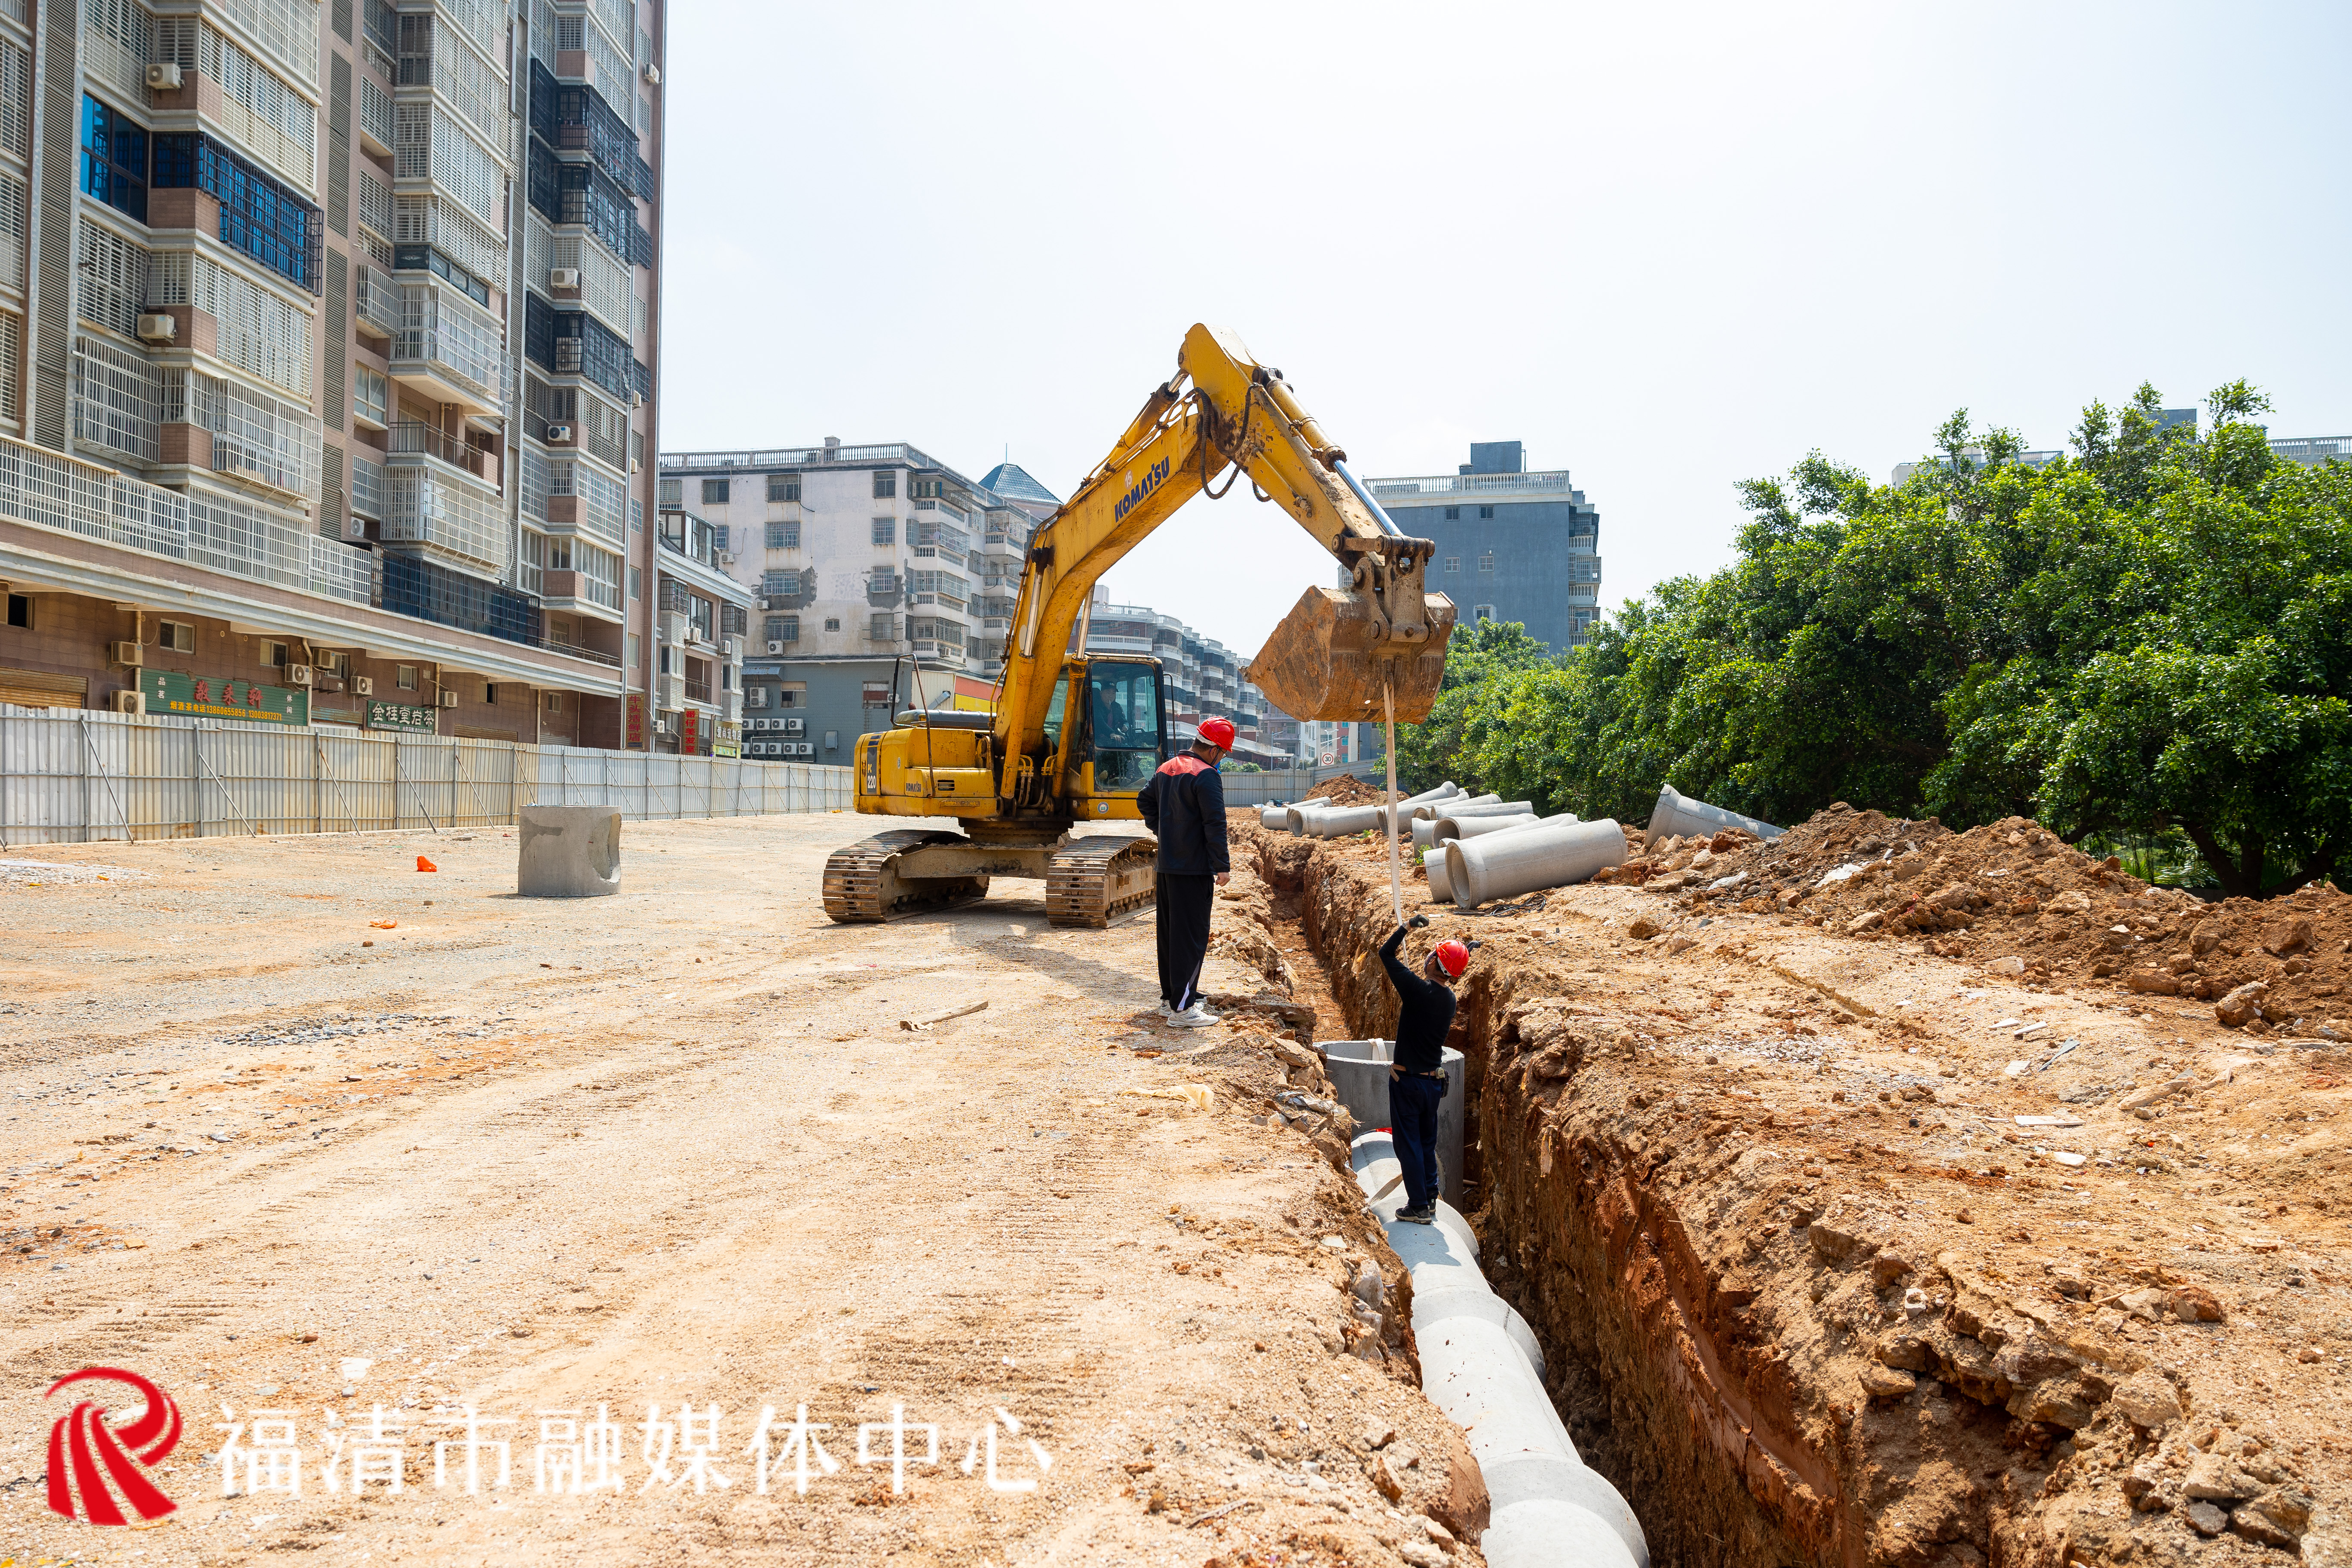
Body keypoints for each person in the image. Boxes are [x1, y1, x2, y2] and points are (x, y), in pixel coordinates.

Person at [1137, 716, 1235, 1027]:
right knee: (1191, 937)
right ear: (1216, 750)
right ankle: (1183, 1009)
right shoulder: (1206, 776)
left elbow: (1144, 801)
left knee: (1170, 935)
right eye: (1224, 754)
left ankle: (1172, 998)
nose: (1222, 759)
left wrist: (1165, 831)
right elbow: (1215, 824)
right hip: (1194, 870)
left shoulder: (1167, 767)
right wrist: (1222, 865)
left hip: (1168, 867)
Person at [1380, 915, 1469, 1223]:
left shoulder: (1418, 991)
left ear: (1435, 963)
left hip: (1408, 1083)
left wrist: (1405, 927)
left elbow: (1385, 954)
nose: (1427, 957)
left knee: (1409, 1145)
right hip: (1431, 1084)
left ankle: (1418, 1206)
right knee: (1426, 1142)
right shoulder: (1449, 1000)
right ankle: (1429, 1198)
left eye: (1432, 954)